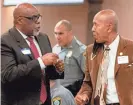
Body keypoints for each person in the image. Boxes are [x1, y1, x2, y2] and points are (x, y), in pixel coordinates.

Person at [1, 3, 64, 105]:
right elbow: (8, 74)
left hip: (45, 101)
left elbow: (47, 73)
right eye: (33, 18)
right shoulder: (6, 41)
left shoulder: (43, 38)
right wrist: (41, 62)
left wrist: (57, 69)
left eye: (39, 16)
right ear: (20, 20)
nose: (38, 21)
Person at [75, 9, 133, 105]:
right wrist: (84, 94)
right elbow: (88, 83)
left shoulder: (130, 48)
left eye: (96, 24)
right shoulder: (90, 51)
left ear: (109, 27)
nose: (92, 29)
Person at [53, 20, 86, 97]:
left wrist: (81, 95)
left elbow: (88, 78)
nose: (57, 37)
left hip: (74, 93)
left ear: (70, 33)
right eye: (55, 33)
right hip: (57, 93)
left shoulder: (81, 50)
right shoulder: (55, 49)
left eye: (61, 33)